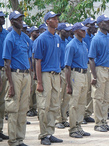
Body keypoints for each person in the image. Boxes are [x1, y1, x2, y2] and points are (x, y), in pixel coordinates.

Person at [3, 10, 32, 146]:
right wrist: (11, 85)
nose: (21, 21)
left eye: (21, 19)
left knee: (23, 108)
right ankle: (13, 140)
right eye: (18, 19)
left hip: (26, 74)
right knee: (13, 108)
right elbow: (6, 64)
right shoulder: (10, 38)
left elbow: (31, 53)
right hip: (14, 74)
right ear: (12, 22)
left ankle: (20, 138)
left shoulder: (25, 37)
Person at [34, 11, 63, 145]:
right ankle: (43, 134)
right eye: (53, 18)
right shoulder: (41, 39)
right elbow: (38, 61)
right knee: (44, 106)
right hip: (45, 75)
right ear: (47, 22)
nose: (57, 20)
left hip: (56, 75)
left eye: (57, 18)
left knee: (54, 105)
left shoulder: (57, 38)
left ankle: (50, 133)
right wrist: (39, 82)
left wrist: (60, 76)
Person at [88, 14, 109, 132]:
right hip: (100, 70)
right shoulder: (96, 39)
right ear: (100, 24)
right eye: (106, 22)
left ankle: (104, 121)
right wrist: (94, 75)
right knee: (98, 98)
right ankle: (98, 123)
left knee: (107, 98)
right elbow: (91, 59)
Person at [65, 22, 90, 138]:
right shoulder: (71, 45)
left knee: (81, 102)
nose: (85, 32)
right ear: (75, 31)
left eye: (85, 30)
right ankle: (73, 128)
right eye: (82, 30)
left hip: (84, 74)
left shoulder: (84, 44)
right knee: (74, 103)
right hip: (75, 74)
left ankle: (79, 125)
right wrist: (68, 84)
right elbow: (67, 66)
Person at [55, 23, 71, 129]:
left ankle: (64, 118)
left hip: (67, 70)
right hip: (59, 71)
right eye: (65, 30)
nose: (68, 32)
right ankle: (57, 119)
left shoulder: (68, 41)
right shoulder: (56, 41)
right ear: (60, 31)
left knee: (66, 97)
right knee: (58, 96)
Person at [82, 17, 96, 124]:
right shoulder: (84, 36)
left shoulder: (92, 37)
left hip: (93, 65)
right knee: (85, 91)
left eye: (93, 24)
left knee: (92, 91)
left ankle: (87, 113)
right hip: (86, 65)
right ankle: (81, 115)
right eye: (90, 24)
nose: (93, 26)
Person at [0, 11, 9, 142]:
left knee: (2, 103)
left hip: (5, 70)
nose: (2, 19)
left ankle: (0, 130)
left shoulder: (7, 34)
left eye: (2, 17)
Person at [27, 26, 40, 117]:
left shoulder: (37, 42)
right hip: (31, 69)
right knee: (30, 90)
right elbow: (31, 58)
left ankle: (34, 108)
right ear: (31, 33)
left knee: (35, 90)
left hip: (35, 69)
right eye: (35, 32)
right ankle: (30, 108)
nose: (37, 34)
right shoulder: (29, 42)